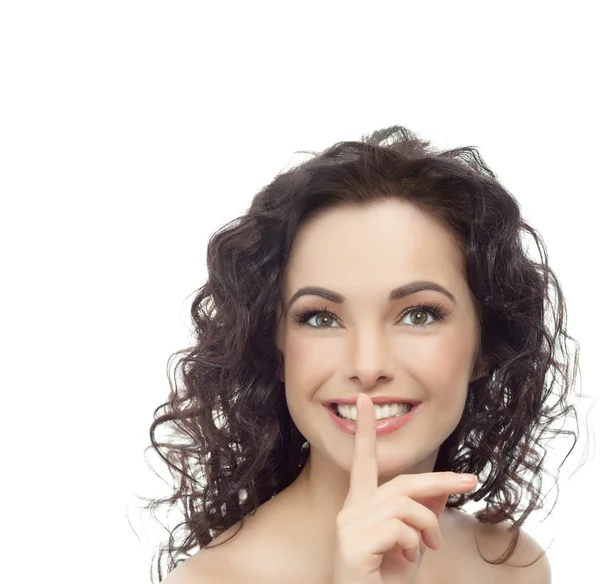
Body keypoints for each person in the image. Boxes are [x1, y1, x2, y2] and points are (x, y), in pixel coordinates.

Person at [145, 125, 584, 583]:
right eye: (320, 318)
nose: (368, 366)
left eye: (418, 315)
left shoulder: (513, 567)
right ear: (273, 349)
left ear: (486, 346)